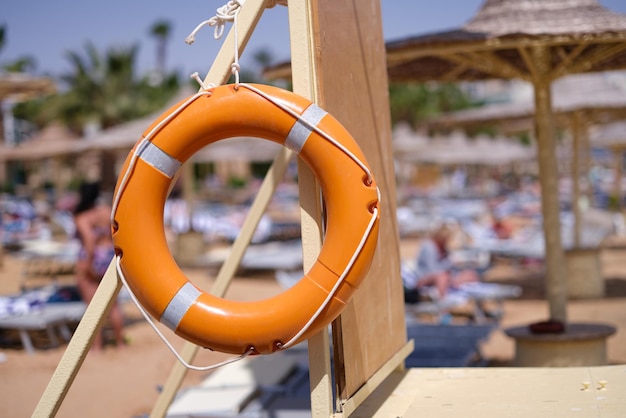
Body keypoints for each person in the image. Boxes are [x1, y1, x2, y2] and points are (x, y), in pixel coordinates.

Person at [73, 181, 125, 351]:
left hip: (92, 257)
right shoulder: (106, 211)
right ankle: (120, 342)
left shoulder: (83, 217)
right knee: (113, 305)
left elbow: (89, 242)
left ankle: (97, 346)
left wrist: (86, 265)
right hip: (108, 256)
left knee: (93, 307)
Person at [403, 224, 479, 302]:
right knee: (442, 277)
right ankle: (442, 302)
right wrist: (450, 262)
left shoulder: (444, 248)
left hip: (443, 275)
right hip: (425, 277)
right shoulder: (428, 246)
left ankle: (470, 300)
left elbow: (450, 268)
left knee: (470, 274)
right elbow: (432, 270)